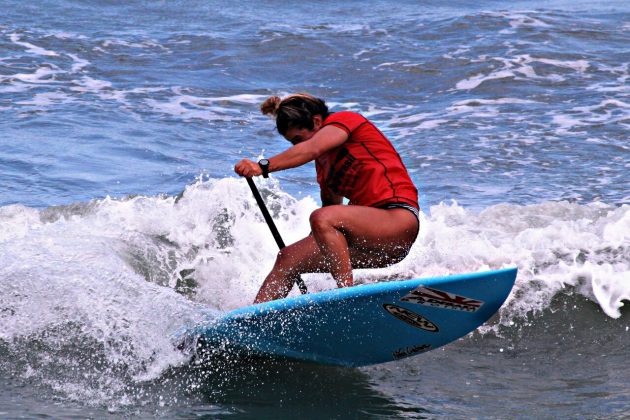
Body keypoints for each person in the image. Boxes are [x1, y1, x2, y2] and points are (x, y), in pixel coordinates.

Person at [234, 93, 420, 303]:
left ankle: (345, 299)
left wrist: (262, 166)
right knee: (289, 258)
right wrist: (302, 255)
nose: (296, 147)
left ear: (316, 121)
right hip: (370, 244)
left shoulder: (347, 120)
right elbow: (327, 223)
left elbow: (312, 149)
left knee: (322, 217)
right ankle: (254, 325)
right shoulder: (326, 168)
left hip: (397, 220)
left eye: (297, 140)